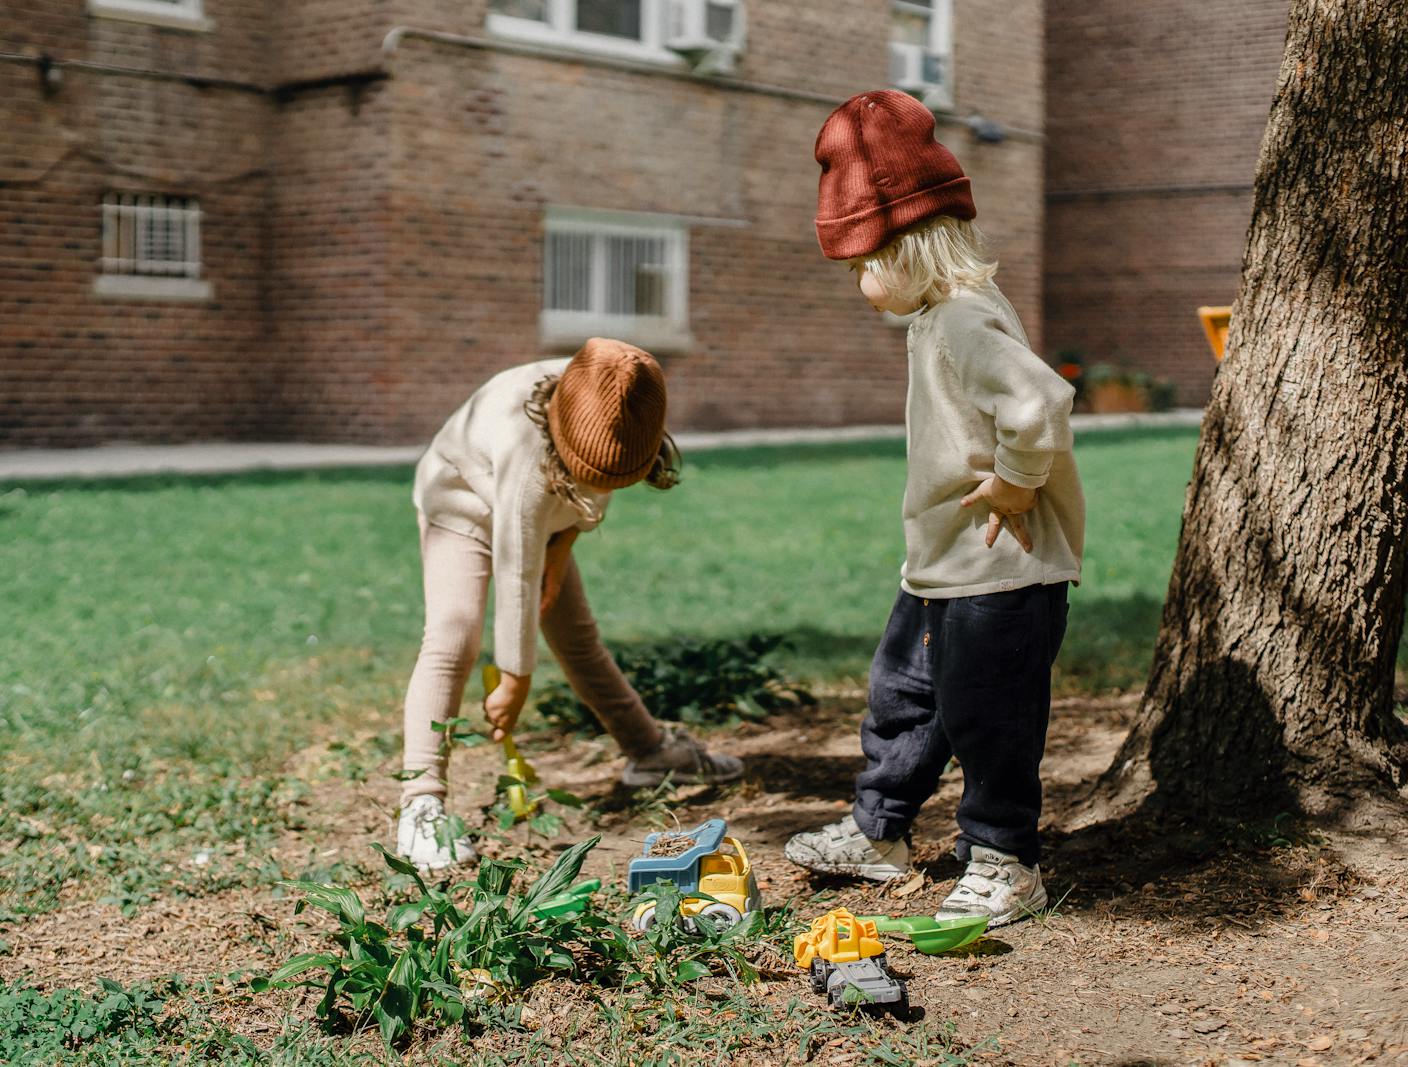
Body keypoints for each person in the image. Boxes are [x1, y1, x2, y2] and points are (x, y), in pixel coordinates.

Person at [784, 91, 1084, 928]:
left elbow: (1040, 403)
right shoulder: (934, 319)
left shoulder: (960, 320)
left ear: (906, 242)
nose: (859, 284)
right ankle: (878, 833)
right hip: (944, 567)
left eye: (860, 265)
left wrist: (1018, 484)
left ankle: (1004, 858)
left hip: (1000, 571)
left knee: (990, 718)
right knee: (904, 698)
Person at [397, 338, 743, 869]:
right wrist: (515, 678)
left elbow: (583, 502)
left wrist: (561, 552)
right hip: (462, 504)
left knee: (578, 639)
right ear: (560, 443)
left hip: (543, 520)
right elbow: (515, 566)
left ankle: (648, 752)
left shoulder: (615, 401)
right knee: (452, 636)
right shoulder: (523, 444)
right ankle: (421, 805)